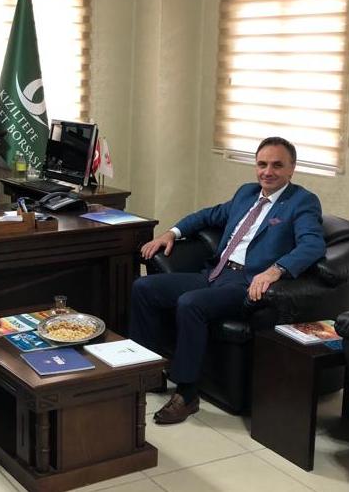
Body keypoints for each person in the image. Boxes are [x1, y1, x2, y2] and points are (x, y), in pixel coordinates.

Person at [129, 137, 325, 425]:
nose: (267, 172)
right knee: (144, 288)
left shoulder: (302, 202)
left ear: (292, 168)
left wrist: (275, 270)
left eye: (277, 165)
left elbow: (312, 245)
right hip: (215, 273)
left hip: (246, 283)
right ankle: (145, 373)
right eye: (262, 164)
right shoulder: (247, 193)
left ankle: (187, 393)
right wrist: (171, 233)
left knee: (191, 304)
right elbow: (207, 216)